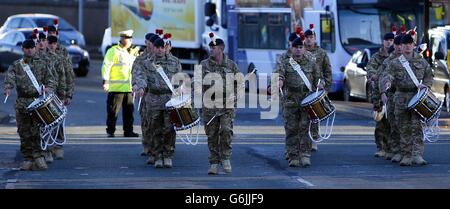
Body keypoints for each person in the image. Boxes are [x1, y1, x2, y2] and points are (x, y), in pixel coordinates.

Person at [380, 32, 433, 166]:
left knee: (417, 127)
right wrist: (387, 84)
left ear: (414, 45)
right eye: (405, 44)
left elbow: (428, 76)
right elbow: (388, 76)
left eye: (410, 44)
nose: (408, 47)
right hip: (400, 98)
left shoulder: (421, 61)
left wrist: (425, 86)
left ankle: (418, 155)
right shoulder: (394, 63)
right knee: (403, 128)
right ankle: (406, 155)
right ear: (401, 47)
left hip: (416, 98)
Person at [3, 39, 56, 170]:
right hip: (22, 103)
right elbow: (10, 77)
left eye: (32, 47)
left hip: (37, 103)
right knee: (24, 131)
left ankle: (39, 157)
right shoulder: (17, 65)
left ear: (35, 48)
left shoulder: (43, 63)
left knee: (37, 131)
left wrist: (48, 88)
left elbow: (51, 79)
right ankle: (27, 158)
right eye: (27, 48)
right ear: (23, 49)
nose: (30, 50)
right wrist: (9, 87)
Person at [274, 36, 324, 167]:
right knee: (291, 129)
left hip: (307, 101)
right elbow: (279, 73)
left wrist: (320, 85)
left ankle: (305, 154)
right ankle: (293, 156)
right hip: (290, 100)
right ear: (292, 48)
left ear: (304, 49)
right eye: (296, 47)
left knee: (305, 128)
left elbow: (319, 78)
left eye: (301, 47)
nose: (298, 49)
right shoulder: (285, 63)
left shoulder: (311, 63)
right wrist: (279, 81)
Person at [134, 37, 182, 168]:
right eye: (157, 47)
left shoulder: (174, 62)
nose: (160, 50)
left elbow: (180, 79)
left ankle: (167, 155)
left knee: (169, 128)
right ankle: (157, 156)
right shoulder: (146, 63)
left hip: (169, 100)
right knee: (154, 128)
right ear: (153, 48)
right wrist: (140, 87)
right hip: (153, 99)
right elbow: (140, 76)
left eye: (162, 47)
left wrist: (180, 90)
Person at [196, 34, 239, 174]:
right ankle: (214, 162)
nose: (211, 50)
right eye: (210, 47)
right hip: (210, 105)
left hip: (227, 105)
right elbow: (196, 83)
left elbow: (240, 84)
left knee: (226, 130)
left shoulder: (231, 65)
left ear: (221, 49)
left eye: (213, 48)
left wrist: (235, 96)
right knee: (212, 134)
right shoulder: (204, 65)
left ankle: (225, 157)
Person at [101, 29, 139, 138]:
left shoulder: (132, 52)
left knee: (129, 112)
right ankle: (110, 130)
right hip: (116, 88)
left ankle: (128, 131)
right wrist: (106, 81)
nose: (130, 41)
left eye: (131, 39)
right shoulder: (113, 51)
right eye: (128, 39)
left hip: (128, 88)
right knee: (113, 111)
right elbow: (106, 66)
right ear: (122, 39)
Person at [304, 24, 332, 152]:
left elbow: (327, 71)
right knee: (302, 117)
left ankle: (314, 139)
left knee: (314, 116)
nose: (309, 39)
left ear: (315, 38)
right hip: (303, 88)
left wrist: (326, 88)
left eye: (311, 37)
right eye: (307, 37)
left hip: (316, 89)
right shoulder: (300, 51)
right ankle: (303, 140)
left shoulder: (322, 53)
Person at [366, 31, 394, 159]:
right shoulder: (377, 56)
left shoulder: (397, 56)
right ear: (383, 41)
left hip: (392, 93)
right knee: (380, 121)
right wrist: (374, 76)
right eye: (387, 40)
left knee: (392, 122)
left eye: (391, 40)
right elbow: (370, 69)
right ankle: (381, 147)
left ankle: (391, 147)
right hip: (378, 93)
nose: (389, 42)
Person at [379, 33, 403, 163]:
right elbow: (382, 77)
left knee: (409, 126)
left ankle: (410, 152)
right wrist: (382, 93)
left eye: (401, 44)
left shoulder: (413, 59)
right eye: (397, 45)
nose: (399, 47)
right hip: (393, 96)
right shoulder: (388, 61)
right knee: (394, 125)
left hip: (409, 95)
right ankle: (396, 150)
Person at [132, 32, 155, 158]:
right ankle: (147, 145)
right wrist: (136, 85)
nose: (148, 45)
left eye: (150, 43)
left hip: (158, 96)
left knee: (157, 123)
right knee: (146, 122)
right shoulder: (141, 58)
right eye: (147, 43)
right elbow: (135, 72)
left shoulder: (161, 56)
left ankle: (157, 148)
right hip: (146, 96)